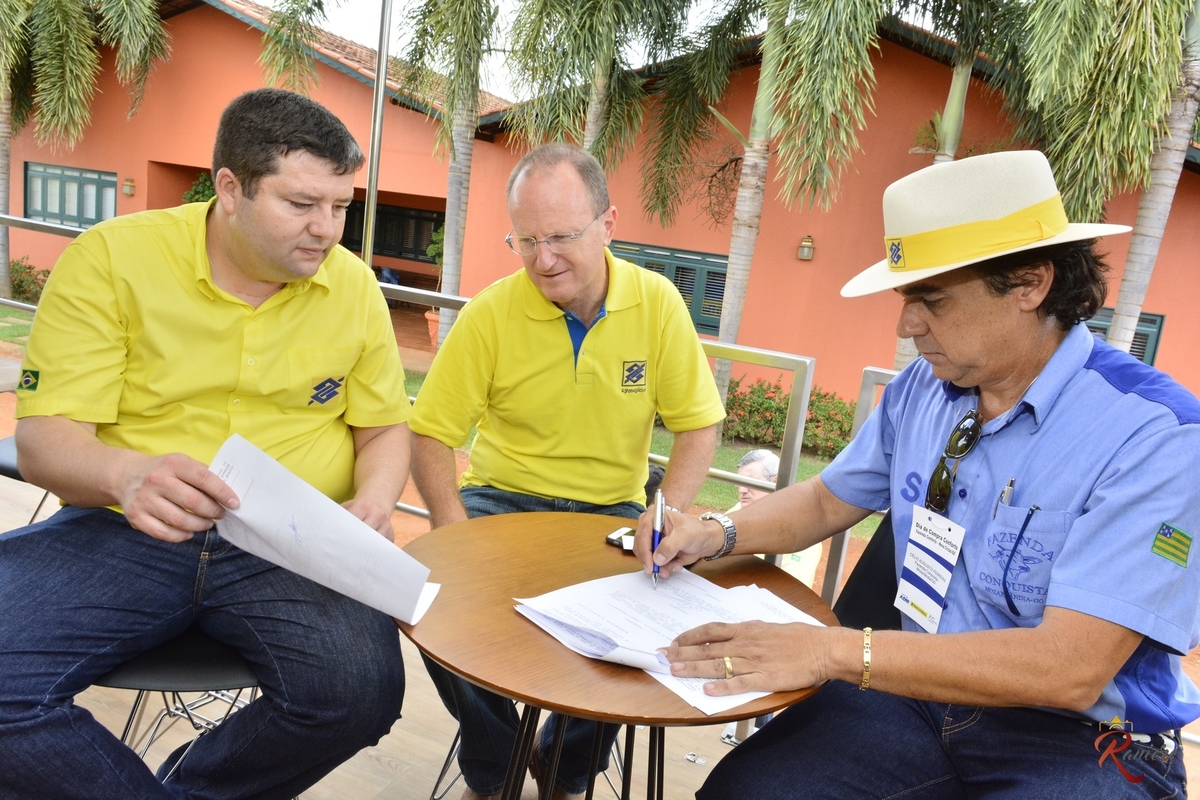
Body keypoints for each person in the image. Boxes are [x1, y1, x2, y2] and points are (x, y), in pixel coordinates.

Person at [640, 150, 1200, 798]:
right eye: (908, 298)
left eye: (930, 299)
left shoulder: (1158, 436)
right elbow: (826, 500)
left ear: (1028, 283)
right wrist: (717, 531)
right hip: (919, 697)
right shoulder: (922, 392)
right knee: (744, 791)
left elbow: (1069, 668)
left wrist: (832, 651)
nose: (906, 325)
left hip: (1079, 739)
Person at [0, 89, 412, 799]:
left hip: (291, 544)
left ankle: (196, 787)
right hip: (122, 527)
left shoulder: (353, 289)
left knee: (360, 697)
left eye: (342, 206)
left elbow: (383, 429)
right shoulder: (112, 260)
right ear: (230, 187)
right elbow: (42, 441)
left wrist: (375, 501)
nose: (328, 230)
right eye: (302, 204)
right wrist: (127, 475)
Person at [409, 142, 725, 800]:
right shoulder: (491, 312)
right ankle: (496, 770)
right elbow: (432, 432)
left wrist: (666, 512)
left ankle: (562, 774)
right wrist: (452, 528)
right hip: (500, 499)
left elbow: (699, 423)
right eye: (524, 240)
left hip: (609, 510)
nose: (542, 259)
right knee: (426, 605)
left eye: (559, 237)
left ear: (607, 224)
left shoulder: (660, 303)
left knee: (639, 628)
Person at [728, 449, 822, 587]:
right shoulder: (738, 510)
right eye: (740, 482)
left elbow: (788, 592)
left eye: (750, 482)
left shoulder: (803, 533)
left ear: (775, 482)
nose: (742, 490)